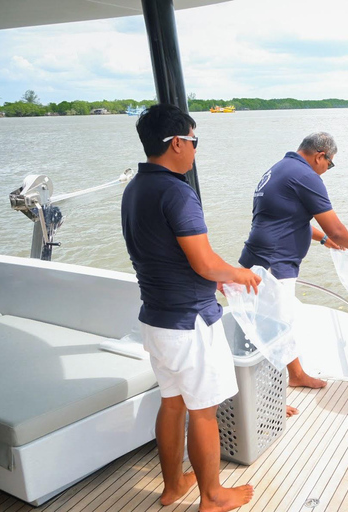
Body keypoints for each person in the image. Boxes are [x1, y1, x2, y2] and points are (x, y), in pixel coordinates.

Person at [122, 104, 258, 512]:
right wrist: (237, 274)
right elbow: (203, 261)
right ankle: (212, 496)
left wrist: (211, 273)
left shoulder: (135, 188)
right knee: (203, 411)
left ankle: (172, 486)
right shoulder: (177, 191)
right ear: (177, 142)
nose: (196, 150)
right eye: (194, 141)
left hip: (157, 320)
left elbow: (165, 253)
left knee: (172, 402)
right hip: (190, 322)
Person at [239, 132, 348, 389]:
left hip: (255, 255)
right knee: (277, 324)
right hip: (276, 260)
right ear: (320, 156)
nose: (327, 170)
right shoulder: (307, 176)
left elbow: (285, 218)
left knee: (268, 321)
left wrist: (321, 239)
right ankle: (277, 387)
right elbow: (337, 230)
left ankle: (285, 378)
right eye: (330, 164)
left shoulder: (279, 169)